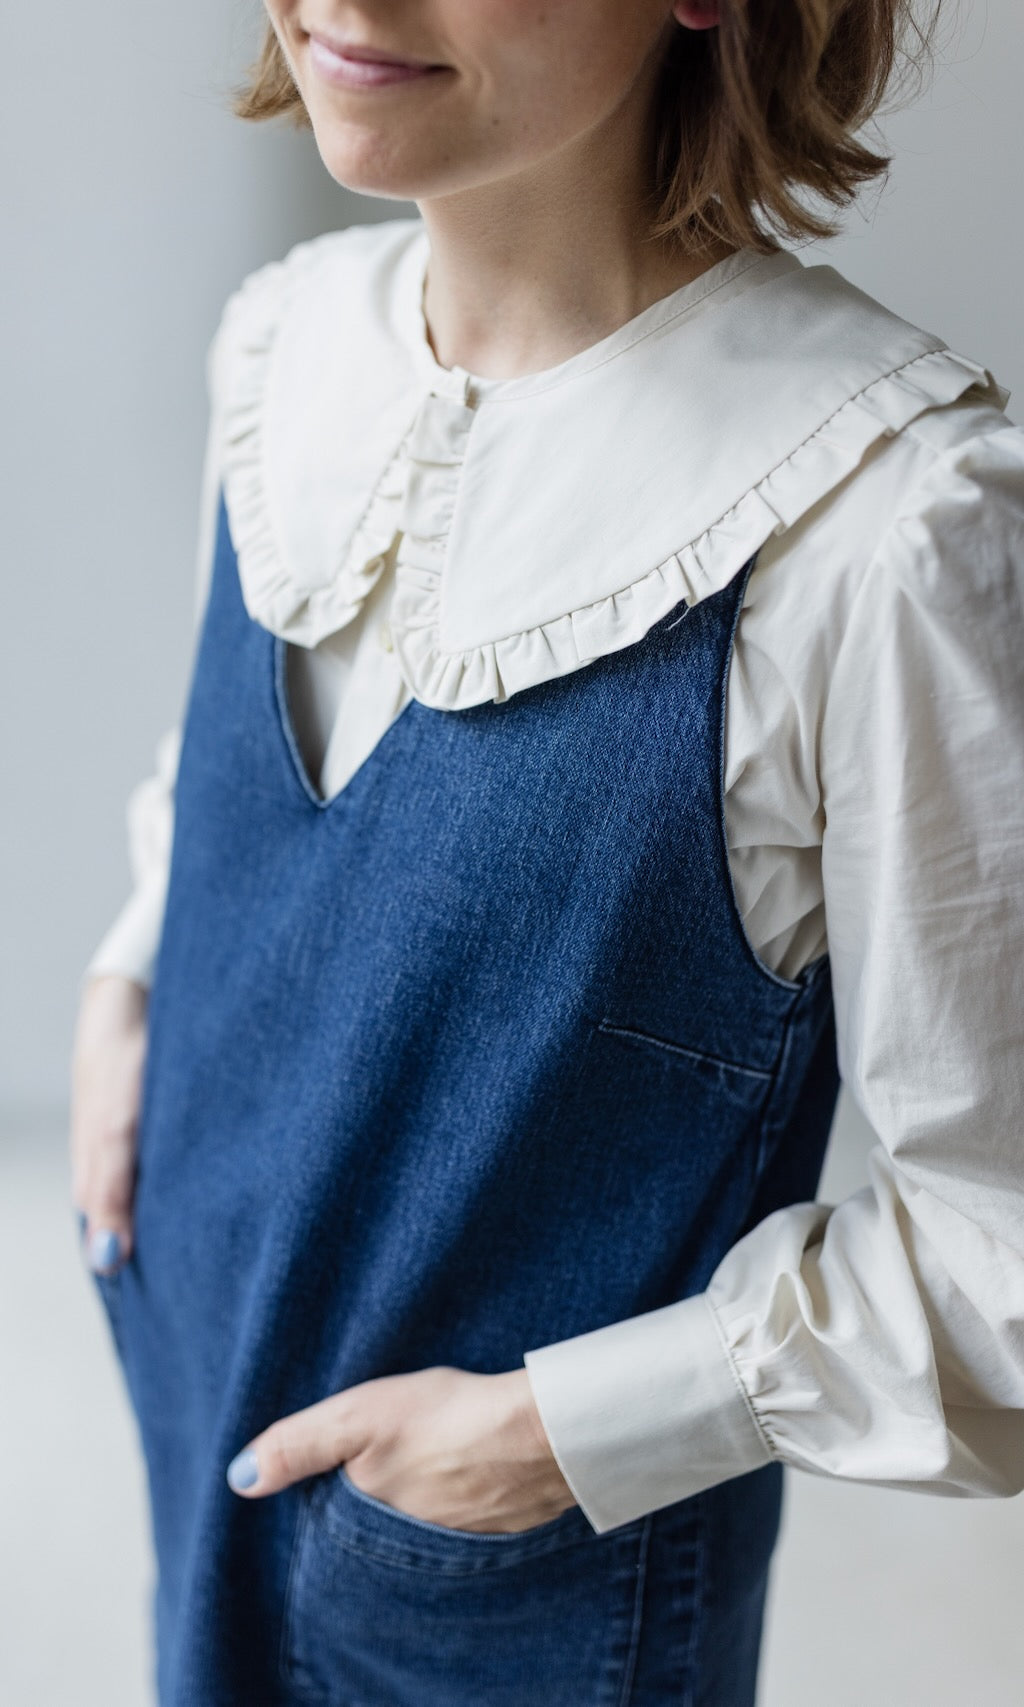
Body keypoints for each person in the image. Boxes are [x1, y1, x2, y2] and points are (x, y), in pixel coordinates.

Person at [69, 2, 1024, 1704]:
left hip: (501, 1597)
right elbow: (235, 794)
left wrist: (550, 1437)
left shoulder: (882, 527)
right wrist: (129, 985)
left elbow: (1001, 1255)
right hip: (192, 1409)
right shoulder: (282, 347)